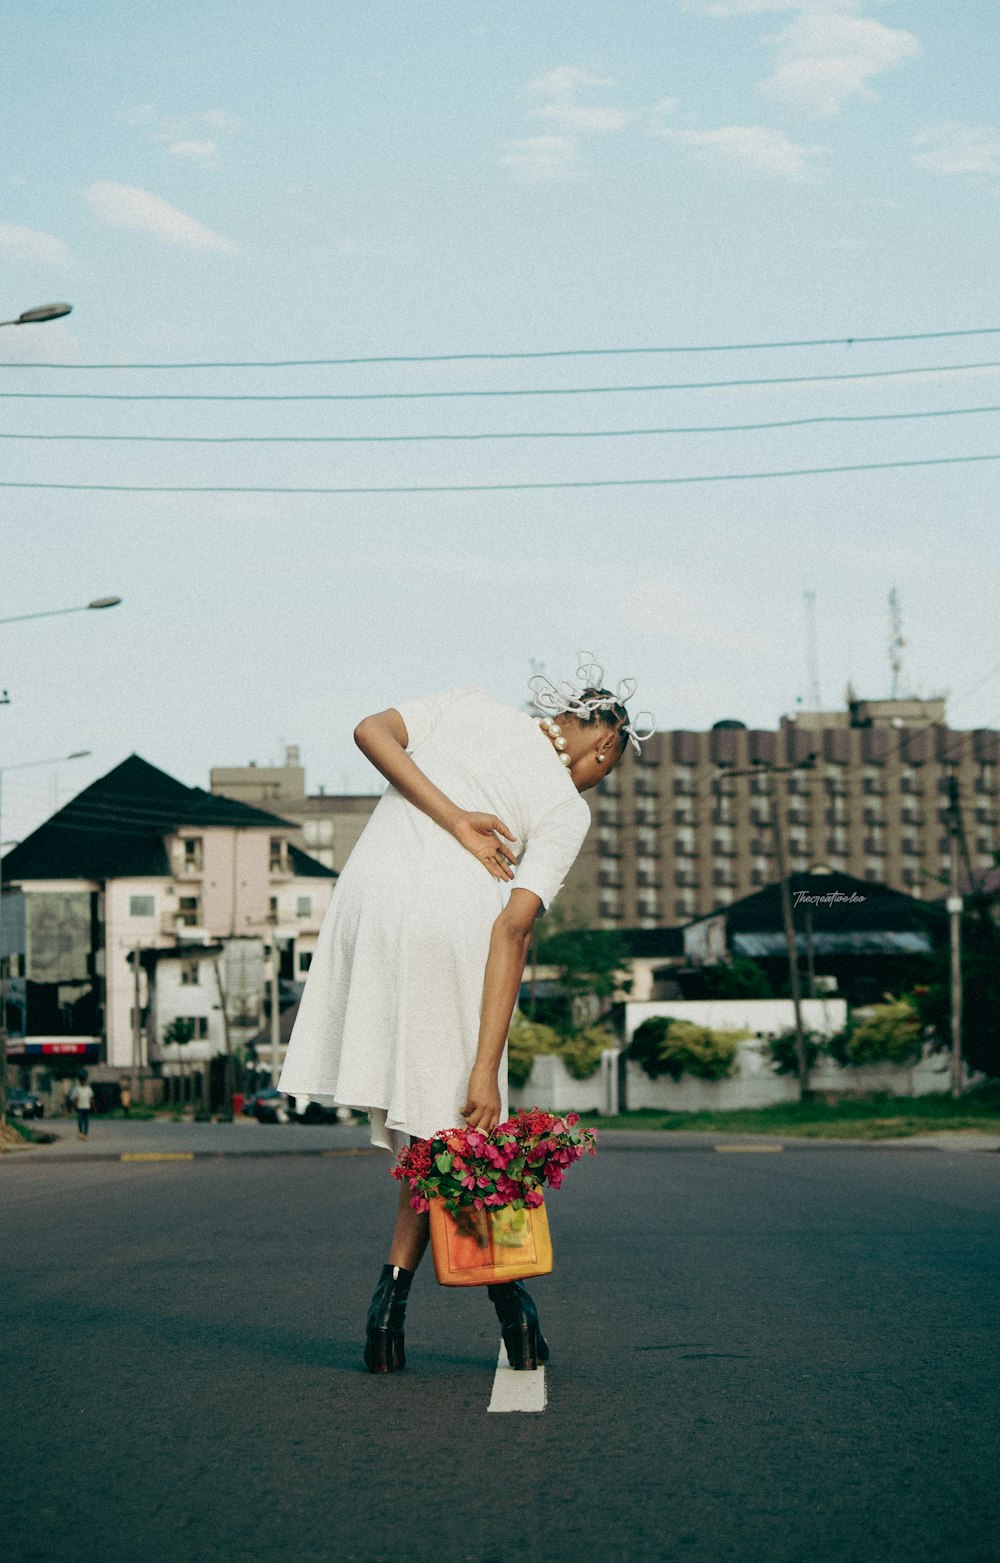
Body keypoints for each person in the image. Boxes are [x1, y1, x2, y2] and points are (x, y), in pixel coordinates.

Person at [278, 655, 653, 1373]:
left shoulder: (470, 703)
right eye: (605, 769)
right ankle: (512, 1308)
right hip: (451, 934)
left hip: (368, 905)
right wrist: (486, 1064)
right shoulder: (566, 809)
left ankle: (390, 1308)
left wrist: (451, 817)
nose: (595, 779)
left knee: (432, 1126)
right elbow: (512, 930)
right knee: (468, 1122)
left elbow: (369, 730)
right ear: (603, 745)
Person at [74, 1073, 95, 1139]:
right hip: (80, 1107)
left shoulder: (88, 1089)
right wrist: (75, 1106)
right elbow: (76, 1098)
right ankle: (81, 1132)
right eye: (81, 1081)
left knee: (86, 1121)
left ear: (85, 1081)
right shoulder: (78, 1089)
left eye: (83, 1081)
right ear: (80, 1081)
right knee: (80, 1121)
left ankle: (85, 1134)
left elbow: (91, 1098)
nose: (82, 1082)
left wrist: (93, 1106)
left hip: (87, 1107)